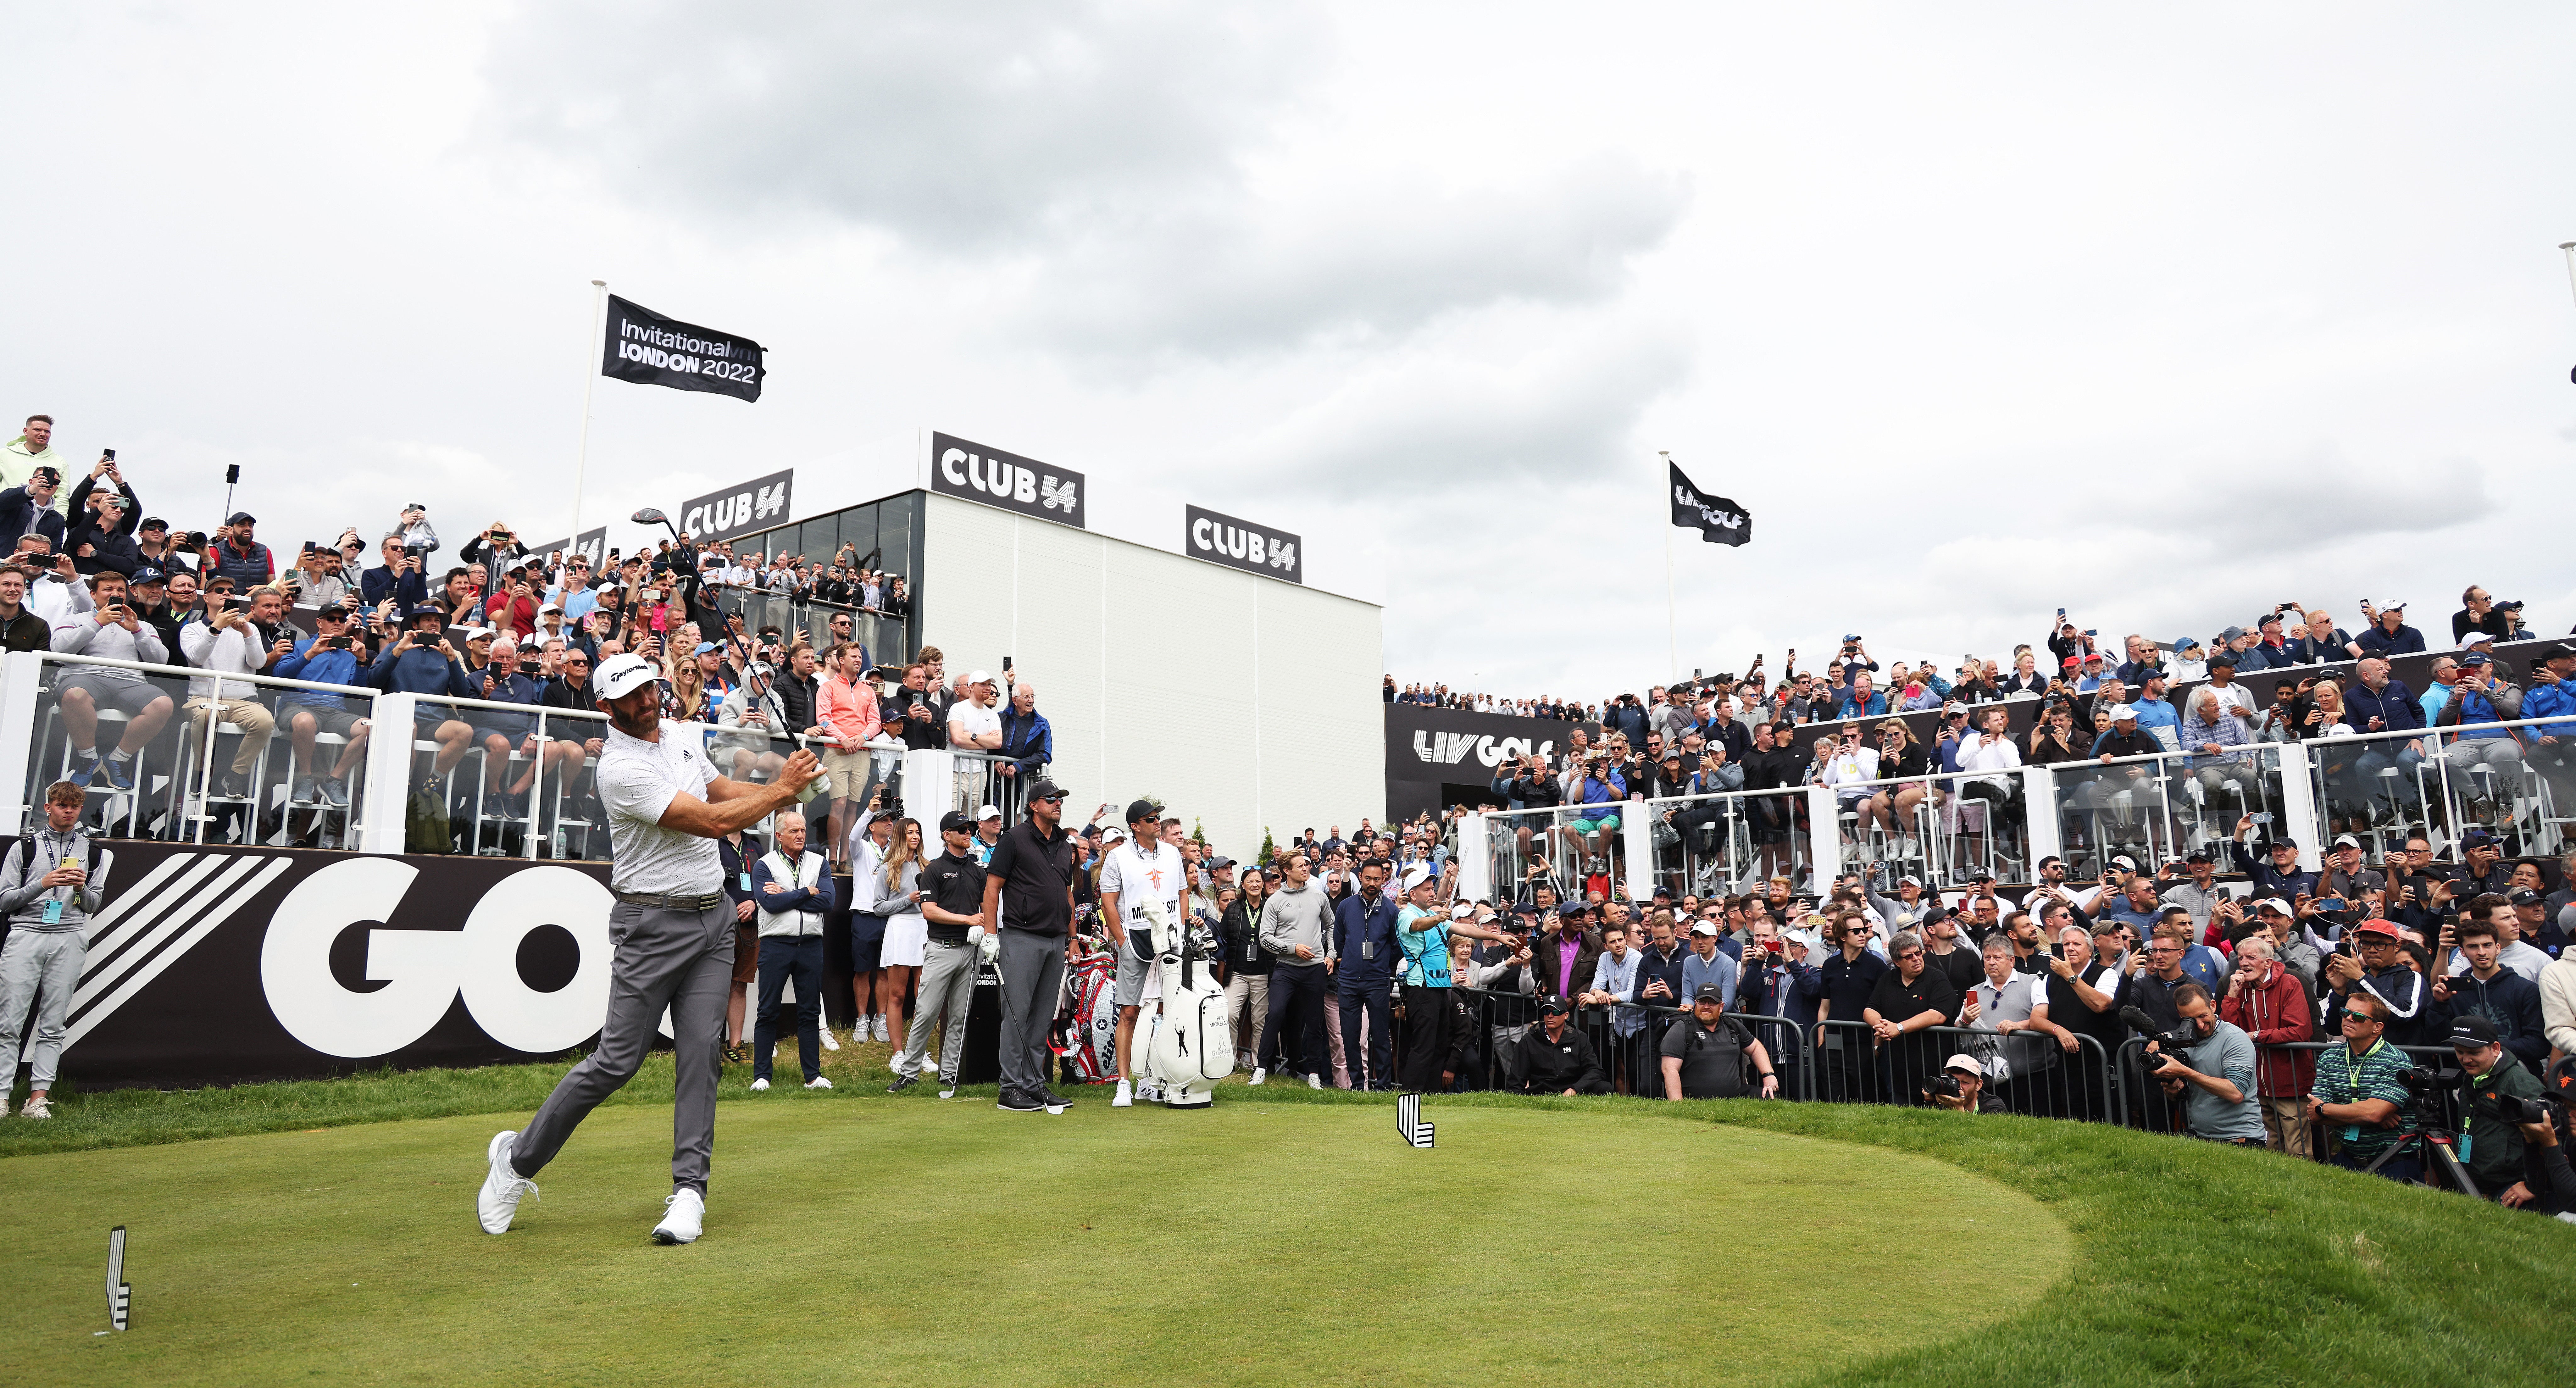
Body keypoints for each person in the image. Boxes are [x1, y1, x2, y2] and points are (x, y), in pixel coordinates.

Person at [477, 652, 821, 1244]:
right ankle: (516, 1162)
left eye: (648, 689)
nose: (645, 702)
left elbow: (721, 790)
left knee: (700, 1055)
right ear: (605, 707)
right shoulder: (618, 769)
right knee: (617, 1062)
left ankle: (689, 1191)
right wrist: (782, 792)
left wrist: (781, 791)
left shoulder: (682, 735)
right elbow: (711, 821)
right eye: (630, 697)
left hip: (712, 919)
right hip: (650, 926)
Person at [0, 782, 110, 1119]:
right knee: (9, 1021)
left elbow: (93, 903)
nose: (69, 811)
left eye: (75, 807)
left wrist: (79, 887)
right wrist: (43, 884)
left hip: (70, 936)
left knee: (53, 1022)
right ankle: (2, 1097)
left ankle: (37, 1099)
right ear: (48, 807)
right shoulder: (25, 848)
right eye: (62, 805)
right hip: (26, 933)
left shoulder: (96, 853)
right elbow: (5, 901)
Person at [982, 779, 1080, 1115]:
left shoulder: (1065, 845)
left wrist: (1073, 937)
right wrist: (991, 934)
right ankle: (1010, 1088)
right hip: (1021, 936)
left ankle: (1034, 1083)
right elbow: (992, 888)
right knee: (1017, 1014)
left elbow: (1066, 895)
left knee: (1041, 1018)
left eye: (1060, 799)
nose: (1058, 803)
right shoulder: (1014, 839)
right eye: (1051, 799)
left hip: (1055, 939)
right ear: (1033, 805)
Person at [50, 567, 175, 793]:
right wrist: (97, 623)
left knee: (164, 704)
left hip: (130, 682)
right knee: (74, 696)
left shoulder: (143, 625)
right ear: (93, 595)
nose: (114, 593)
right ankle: (88, 758)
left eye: (120, 589)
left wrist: (137, 631)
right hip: (85, 678)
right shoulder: (75, 619)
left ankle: (117, 759)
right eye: (108, 589)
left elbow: (161, 660)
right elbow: (59, 650)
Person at [891, 811, 988, 1098]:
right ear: (947, 836)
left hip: (971, 952)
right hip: (941, 950)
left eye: (970, 828)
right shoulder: (934, 869)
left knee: (958, 1017)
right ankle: (909, 1074)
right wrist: (968, 920)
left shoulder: (977, 870)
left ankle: (949, 1076)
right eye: (961, 829)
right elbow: (929, 911)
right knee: (927, 1013)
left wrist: (984, 925)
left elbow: (985, 909)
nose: (967, 833)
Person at [1100, 799, 1185, 1107]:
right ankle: (1124, 1082)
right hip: (1134, 939)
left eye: (1158, 818)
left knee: (1165, 1012)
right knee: (1129, 1012)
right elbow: (1108, 902)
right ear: (1135, 826)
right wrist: (1121, 941)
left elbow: (1182, 892)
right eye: (1150, 819)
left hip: (1171, 941)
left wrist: (1182, 930)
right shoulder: (1118, 856)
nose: (1157, 822)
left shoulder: (1173, 853)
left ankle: (1154, 1078)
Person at [749, 814, 836, 1092]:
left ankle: (813, 1076)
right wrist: (807, 893)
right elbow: (769, 904)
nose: (801, 835)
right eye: (794, 831)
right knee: (767, 1011)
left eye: (802, 830)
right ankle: (762, 1077)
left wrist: (788, 893)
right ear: (779, 836)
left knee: (810, 1012)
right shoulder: (765, 865)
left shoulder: (819, 862)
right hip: (776, 944)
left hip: (810, 944)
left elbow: (828, 900)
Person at [1396, 888, 1508, 1093]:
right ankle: (1411, 1095)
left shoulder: (1432, 915)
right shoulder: (1408, 914)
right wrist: (1439, 918)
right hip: (1422, 988)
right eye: (1427, 889)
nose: (1432, 892)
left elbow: (1465, 930)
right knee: (1423, 1047)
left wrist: (1499, 938)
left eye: (1432, 888)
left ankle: (1433, 1093)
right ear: (1413, 895)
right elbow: (1417, 926)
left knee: (1439, 1048)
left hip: (1440, 989)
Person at [2216, 937, 2315, 1156]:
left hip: (2290, 1081)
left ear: (2268, 963)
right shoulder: (2238, 988)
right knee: (2269, 1149)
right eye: (2241, 958)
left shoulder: (2291, 984)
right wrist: (2232, 995)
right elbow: (2227, 1033)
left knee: (2297, 1150)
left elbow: (2299, 1031)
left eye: (2251, 958)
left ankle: (2305, 1189)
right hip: (2256, 1085)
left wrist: (2256, 1036)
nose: (2243, 963)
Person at [2305, 991, 2418, 1182]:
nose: (2349, 1019)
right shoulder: (2328, 1058)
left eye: (2358, 1016)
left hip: (2395, 1161)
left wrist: (2327, 1109)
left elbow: (2373, 1113)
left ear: (2377, 1028)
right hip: (2346, 1159)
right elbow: (2315, 1117)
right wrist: (2368, 1116)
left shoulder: (2397, 1060)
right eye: (2345, 1013)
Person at [2140, 983, 2267, 1145]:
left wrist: (2186, 1072)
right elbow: (2181, 1094)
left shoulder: (2235, 1039)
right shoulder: (2184, 1041)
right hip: (2201, 1137)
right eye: (2191, 1020)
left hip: (2239, 1138)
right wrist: (2172, 1088)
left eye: (2203, 1016)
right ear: (2180, 1015)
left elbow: (2235, 1093)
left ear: (2213, 1006)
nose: (2200, 1025)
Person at [1257, 850, 1338, 1089]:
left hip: (1315, 969)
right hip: (1287, 969)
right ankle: (1261, 1068)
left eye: (1307, 865)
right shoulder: (1275, 901)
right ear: (1287, 872)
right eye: (1300, 866)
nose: (1306, 869)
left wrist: (1331, 954)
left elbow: (1332, 926)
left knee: (1314, 1021)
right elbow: (1264, 939)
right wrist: (1293, 948)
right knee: (1275, 1014)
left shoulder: (1319, 896)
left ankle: (1314, 1073)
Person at [2448, 1015, 2546, 1206]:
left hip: (2512, 1188)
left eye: (2474, 1053)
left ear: (2495, 1048)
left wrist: (2532, 1185)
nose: (2466, 1059)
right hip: (2477, 1184)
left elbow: (2550, 1134)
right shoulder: (2472, 1076)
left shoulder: (2520, 1081)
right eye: (2459, 1052)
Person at [865, 817, 929, 1077]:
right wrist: (907, 900)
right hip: (900, 928)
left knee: (924, 996)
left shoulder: (928, 865)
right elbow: (879, 908)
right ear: (901, 836)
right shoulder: (888, 867)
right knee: (898, 995)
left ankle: (919, 1052)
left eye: (918, 832)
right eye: (910, 832)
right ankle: (897, 1053)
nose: (915, 836)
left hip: (924, 928)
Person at [1865, 930, 1961, 1104]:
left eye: (1918, 953)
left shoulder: (1936, 978)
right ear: (1896, 962)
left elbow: (1937, 1015)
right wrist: (1881, 1027)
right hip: (1898, 1067)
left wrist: (1899, 1028)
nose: (1916, 959)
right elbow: (1870, 1009)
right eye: (1908, 957)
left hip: (1934, 1062)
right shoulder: (1888, 979)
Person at [1333, 860, 1405, 1091]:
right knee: (1350, 1036)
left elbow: (1397, 947)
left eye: (1377, 879)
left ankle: (1384, 1087)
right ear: (1360, 877)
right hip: (1349, 981)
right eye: (1368, 878)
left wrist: (1380, 965)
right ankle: (1357, 1085)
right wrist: (1353, 961)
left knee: (1381, 1035)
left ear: (1384, 879)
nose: (1372, 883)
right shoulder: (1345, 906)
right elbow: (1340, 941)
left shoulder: (1392, 911)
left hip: (1377, 981)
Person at [1661, 983, 1780, 1099]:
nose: (1706, 1007)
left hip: (1736, 1095)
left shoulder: (1733, 1026)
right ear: (1696, 1004)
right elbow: (1670, 1069)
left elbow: (1755, 1048)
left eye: (1712, 1003)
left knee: (1772, 1097)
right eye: (1702, 1002)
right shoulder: (1682, 1029)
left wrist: (1769, 1075)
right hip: (1695, 1099)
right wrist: (1679, 1106)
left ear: (1721, 1007)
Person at [1518, 997, 1611, 1095]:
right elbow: (1517, 1079)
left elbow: (1595, 1070)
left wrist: (1575, 1089)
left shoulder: (1580, 1038)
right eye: (1546, 1012)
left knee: (1605, 1087)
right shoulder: (1529, 1040)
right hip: (1542, 1090)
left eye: (1556, 1012)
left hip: (1573, 1087)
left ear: (1566, 1015)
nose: (1550, 1016)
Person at [1927, 1053, 2005, 1113]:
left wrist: (1958, 1110)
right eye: (1953, 1081)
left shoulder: (1994, 1107)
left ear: (1979, 1085)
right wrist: (1931, 1102)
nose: (1958, 1087)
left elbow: (1983, 1134)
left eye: (1965, 1082)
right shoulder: (1944, 1101)